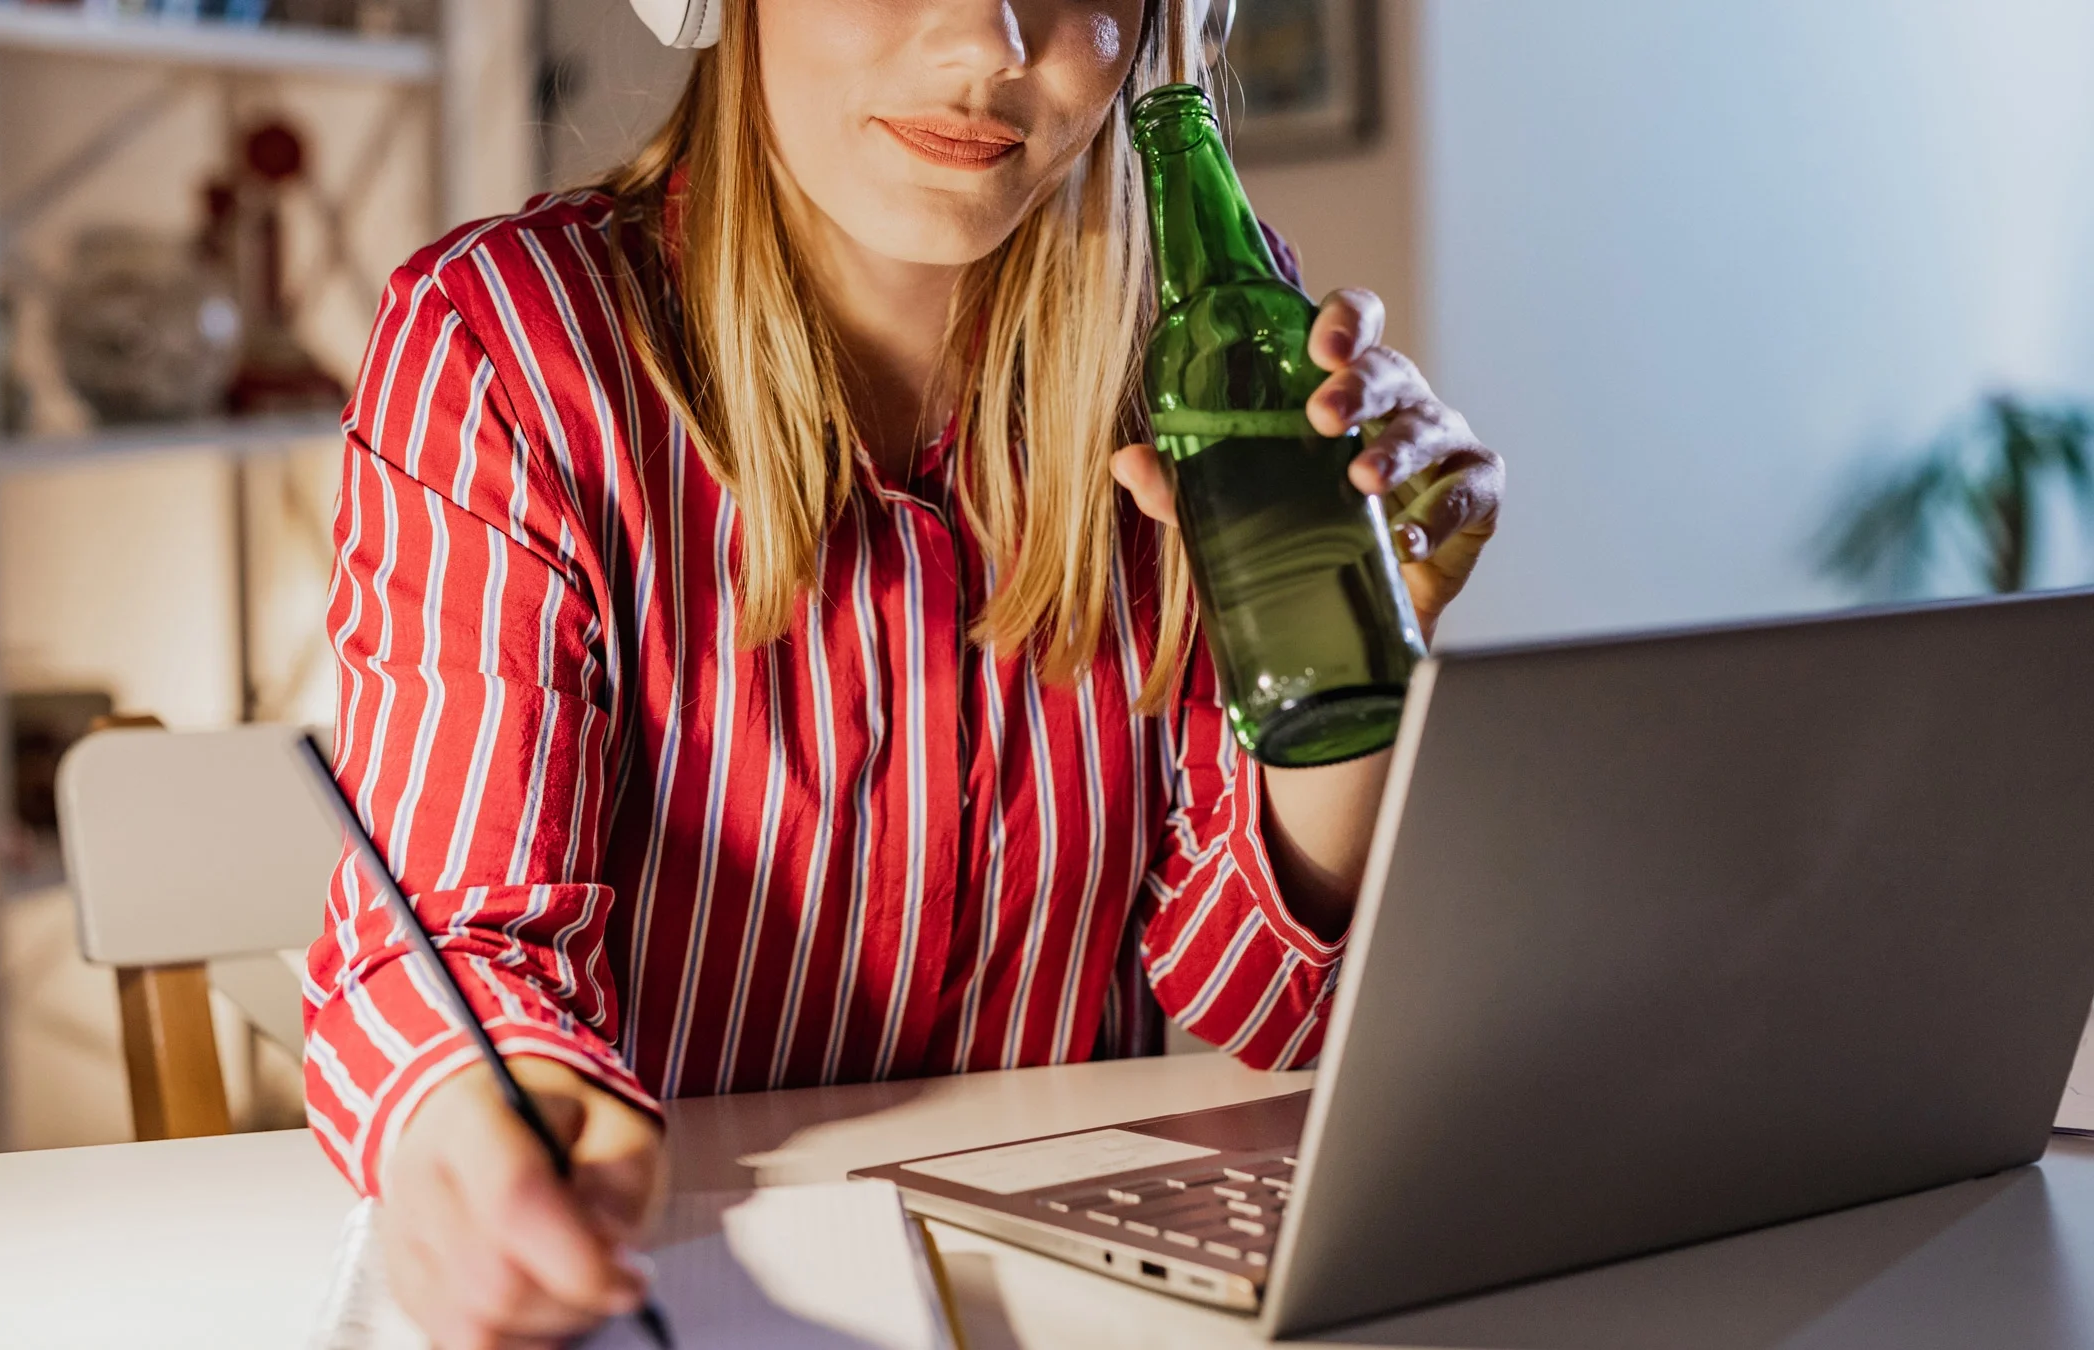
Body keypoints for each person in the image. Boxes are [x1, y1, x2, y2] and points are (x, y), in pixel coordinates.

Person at [304, 2, 1503, 1345]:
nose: (989, 43)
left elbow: (1257, 1004)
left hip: (1061, 1294)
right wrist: (485, 1121)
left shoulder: (1199, 331)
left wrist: (1357, 650)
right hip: (676, 1267)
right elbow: (457, 950)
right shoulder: (504, 342)